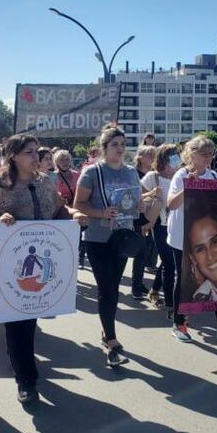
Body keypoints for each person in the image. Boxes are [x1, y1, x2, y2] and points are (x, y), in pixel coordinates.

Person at [0, 134, 81, 402]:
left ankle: (20, 364)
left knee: (27, 319)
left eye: (36, 152)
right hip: (7, 265)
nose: (36, 157)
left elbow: (59, 210)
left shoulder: (44, 182)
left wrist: (76, 215)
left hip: (41, 263)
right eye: (30, 152)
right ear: (13, 156)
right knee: (17, 320)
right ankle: (26, 380)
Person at [166, 136, 217, 349]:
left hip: (205, 237)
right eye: (204, 154)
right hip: (181, 237)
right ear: (191, 155)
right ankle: (179, 323)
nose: (208, 158)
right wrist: (188, 187)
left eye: (211, 153)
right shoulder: (181, 174)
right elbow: (171, 204)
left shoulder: (214, 176)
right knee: (184, 279)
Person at [74, 124, 143, 366]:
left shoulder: (132, 172)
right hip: (97, 238)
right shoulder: (93, 172)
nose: (120, 149)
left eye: (123, 144)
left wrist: (140, 206)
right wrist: (102, 213)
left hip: (122, 238)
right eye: (114, 144)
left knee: (114, 287)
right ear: (104, 148)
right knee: (107, 289)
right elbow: (79, 204)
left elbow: (135, 201)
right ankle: (112, 340)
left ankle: (106, 330)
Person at [140, 144, 179, 311]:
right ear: (164, 158)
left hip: (177, 225)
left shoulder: (181, 176)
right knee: (170, 263)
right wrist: (151, 194)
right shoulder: (152, 177)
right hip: (159, 224)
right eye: (174, 155)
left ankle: (155, 290)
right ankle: (170, 303)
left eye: (178, 154)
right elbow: (138, 198)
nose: (177, 158)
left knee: (169, 261)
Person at [131, 145, 158, 299]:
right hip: (139, 215)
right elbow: (135, 194)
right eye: (149, 155)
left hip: (153, 214)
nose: (152, 158)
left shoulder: (155, 174)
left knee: (146, 249)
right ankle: (136, 286)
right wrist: (152, 193)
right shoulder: (133, 173)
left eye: (154, 155)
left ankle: (138, 282)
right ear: (140, 157)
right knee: (140, 251)